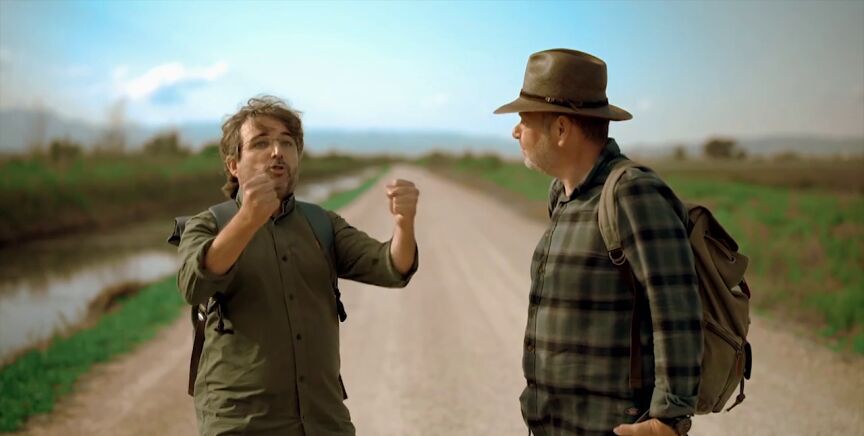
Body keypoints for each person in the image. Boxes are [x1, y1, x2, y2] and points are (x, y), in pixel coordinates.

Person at [177, 96, 419, 435]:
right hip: (241, 424)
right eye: (261, 142)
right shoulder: (208, 225)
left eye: (287, 142)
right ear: (234, 165)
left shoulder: (322, 224)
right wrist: (247, 221)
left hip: (324, 420)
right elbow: (193, 285)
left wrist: (404, 224)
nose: (277, 151)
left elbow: (391, 267)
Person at [494, 49, 702, 436]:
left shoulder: (631, 192)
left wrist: (668, 419)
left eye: (524, 120)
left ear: (561, 129)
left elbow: (676, 307)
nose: (516, 131)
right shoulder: (562, 195)